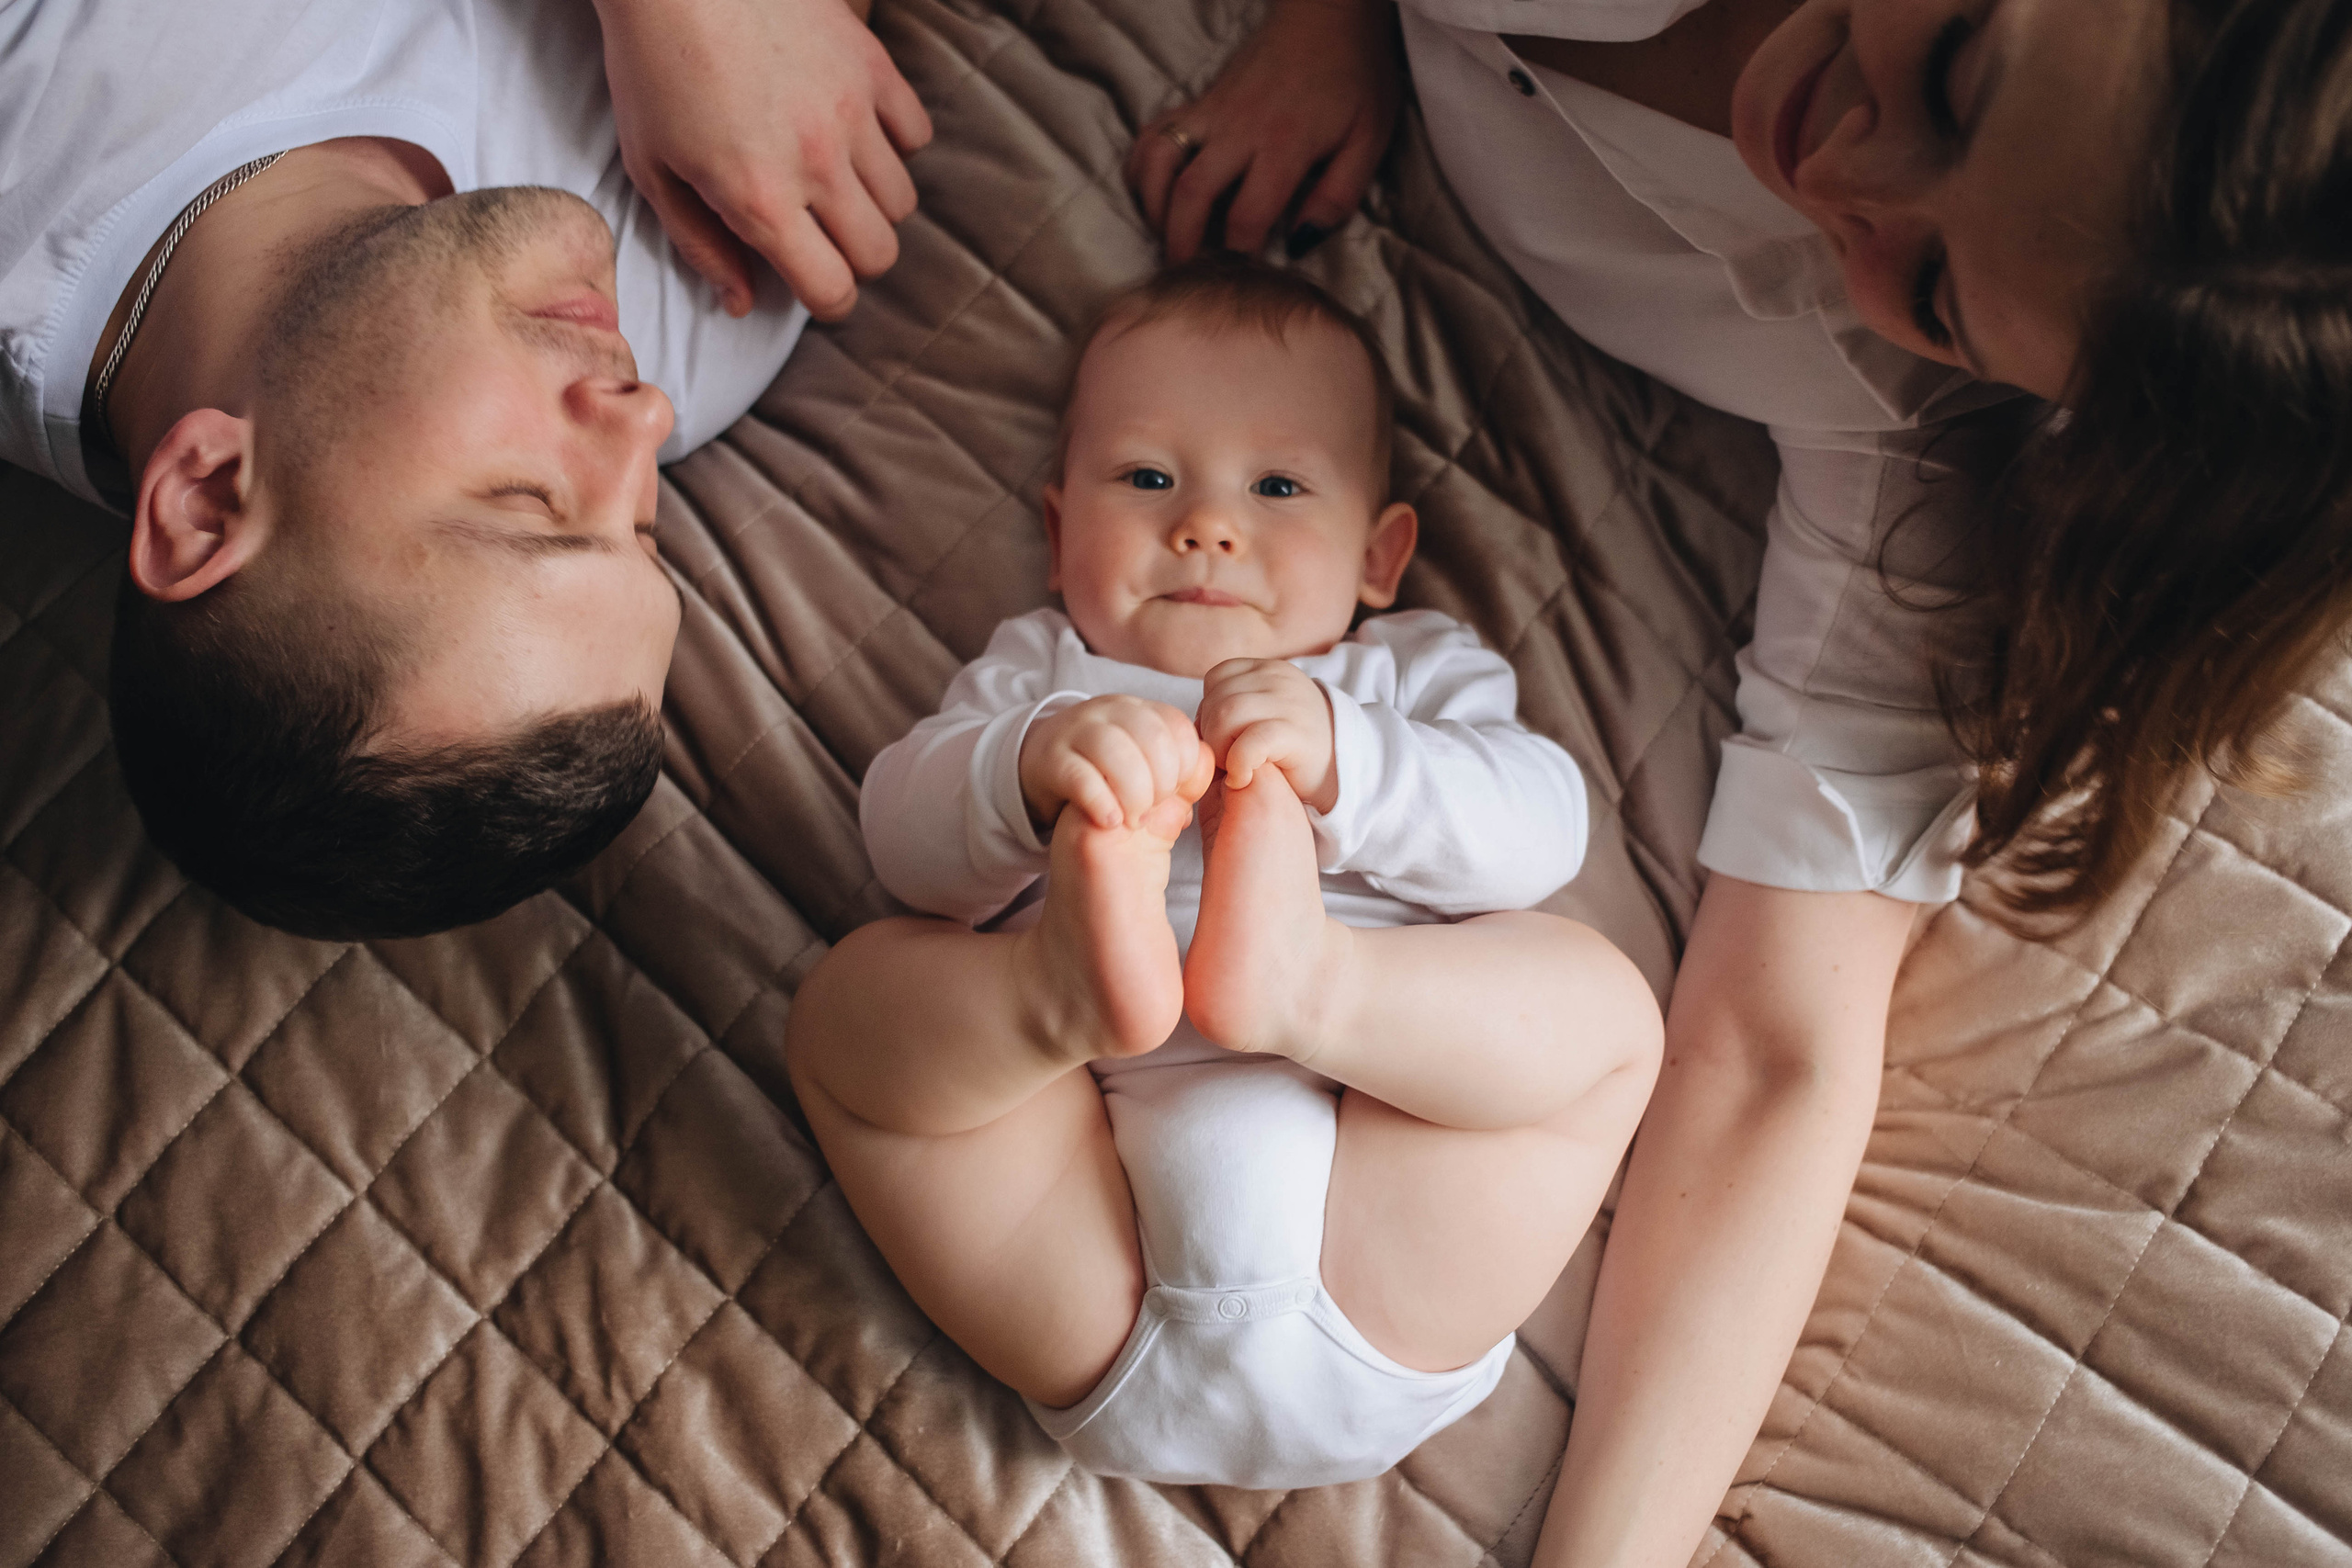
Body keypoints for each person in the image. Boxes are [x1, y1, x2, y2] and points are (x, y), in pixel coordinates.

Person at [1128, 0, 2352, 1561]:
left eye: (1937, 290)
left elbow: (1780, 1050)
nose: (1837, 173)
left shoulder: (1914, 438)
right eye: (1960, 72)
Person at [783, 258, 1663, 1487]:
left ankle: (1317, 983)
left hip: (1386, 1233)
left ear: (1379, 554)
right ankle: (1061, 990)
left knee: (1604, 1003)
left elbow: (1541, 828)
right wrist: (1028, 772)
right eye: (1146, 476)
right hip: (1088, 1245)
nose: (1206, 522)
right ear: (1056, 529)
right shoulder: (1044, 680)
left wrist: (1349, 757)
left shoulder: (1402, 680)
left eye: (1280, 484)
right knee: (849, 1002)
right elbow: (904, 840)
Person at [0, 0, 932, 940]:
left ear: (204, 498)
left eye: (525, 499)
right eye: (643, 535)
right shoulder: (682, 310)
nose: (640, 419)